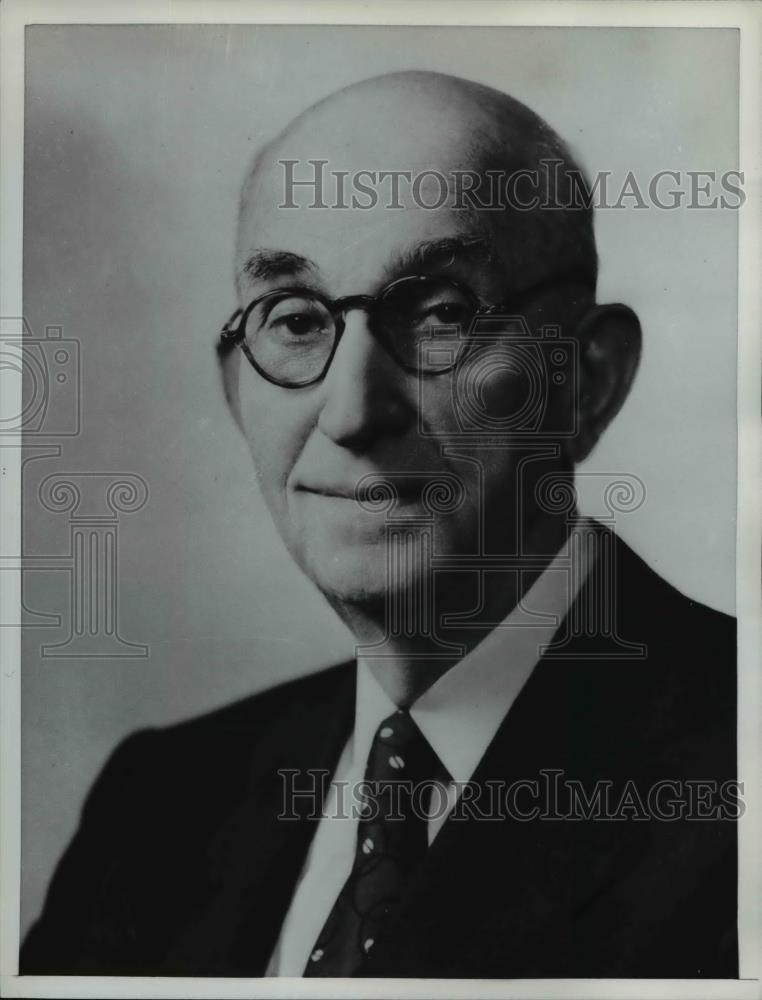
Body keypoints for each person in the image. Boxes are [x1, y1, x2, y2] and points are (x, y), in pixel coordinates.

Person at [21, 70, 737, 979]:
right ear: (236, 391)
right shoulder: (160, 805)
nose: (353, 411)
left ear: (586, 380)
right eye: (295, 320)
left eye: (440, 313)